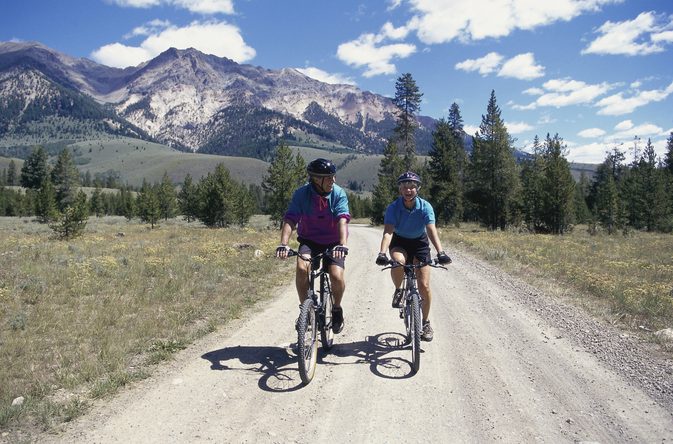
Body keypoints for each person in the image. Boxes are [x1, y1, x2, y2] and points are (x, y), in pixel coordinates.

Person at [276, 158, 350, 334]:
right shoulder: (301, 194)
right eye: (329, 177)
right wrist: (283, 244)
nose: (334, 181)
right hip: (309, 240)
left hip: (334, 242)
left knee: (336, 276)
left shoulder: (338, 194)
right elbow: (290, 219)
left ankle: (337, 309)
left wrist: (342, 244)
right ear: (317, 179)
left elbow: (342, 220)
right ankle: (305, 311)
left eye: (333, 176)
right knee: (302, 268)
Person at [375, 171, 451, 342]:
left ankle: (425, 323)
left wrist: (441, 252)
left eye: (412, 187)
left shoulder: (425, 207)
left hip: (420, 243)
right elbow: (388, 232)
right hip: (400, 241)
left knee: (424, 285)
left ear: (418, 189)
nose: (408, 190)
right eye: (404, 187)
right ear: (400, 189)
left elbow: (431, 230)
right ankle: (399, 290)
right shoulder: (394, 207)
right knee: (398, 262)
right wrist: (381, 252)